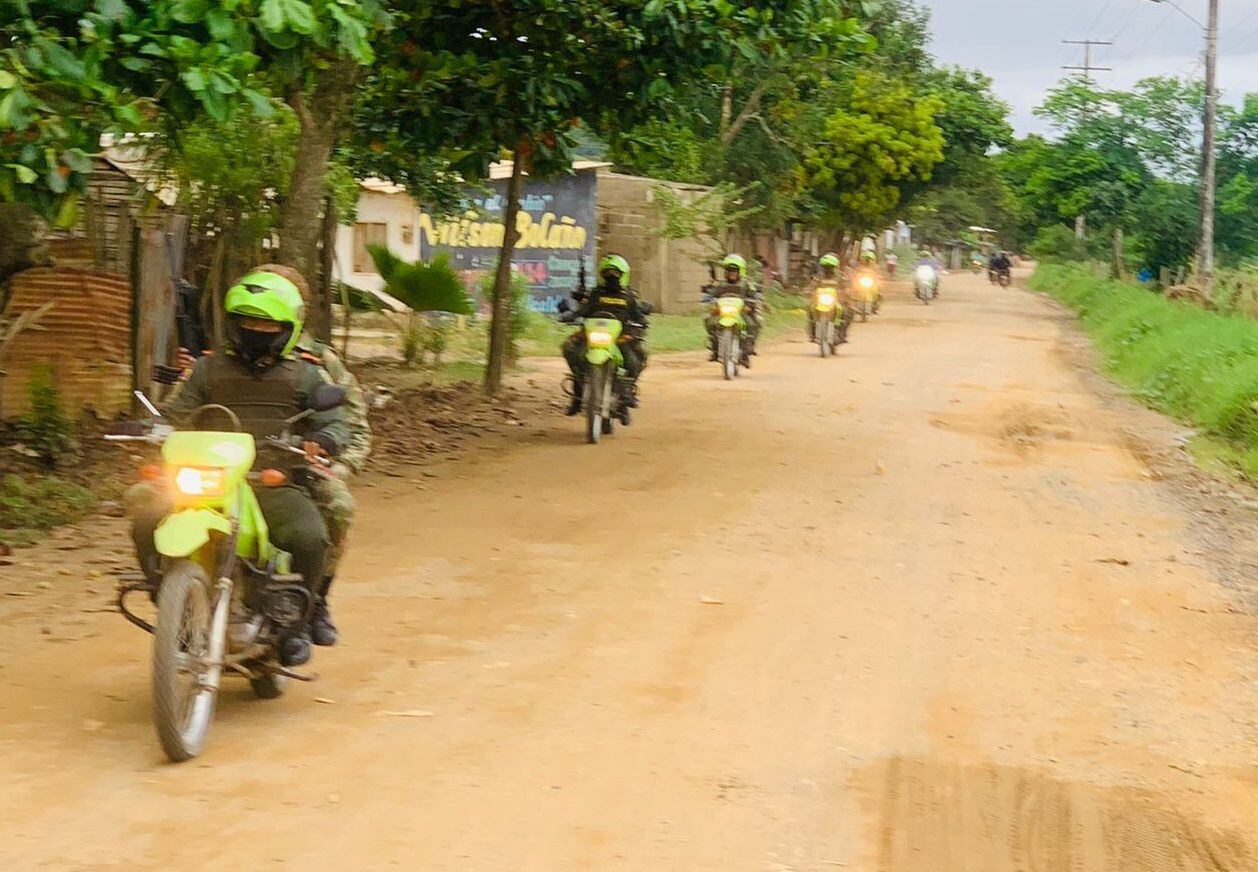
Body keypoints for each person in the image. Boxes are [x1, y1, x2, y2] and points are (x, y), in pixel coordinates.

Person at [130, 271, 348, 667]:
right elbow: (178, 412)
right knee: (146, 517)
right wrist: (153, 428)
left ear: (287, 328)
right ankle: (166, 594)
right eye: (248, 322)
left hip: (270, 481)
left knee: (310, 537)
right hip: (208, 479)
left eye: (266, 324)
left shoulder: (308, 372)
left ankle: (298, 620)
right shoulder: (208, 369)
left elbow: (333, 422)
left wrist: (325, 441)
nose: (256, 331)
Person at [248, 264, 370, 649]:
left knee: (337, 507)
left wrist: (335, 464)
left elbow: (353, 424)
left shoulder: (319, 362)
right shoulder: (228, 352)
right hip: (229, 465)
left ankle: (315, 598)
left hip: (296, 467)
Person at [561, 254, 649, 416]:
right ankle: (578, 393)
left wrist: (642, 321)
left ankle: (627, 393)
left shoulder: (629, 296)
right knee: (569, 348)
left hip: (619, 338)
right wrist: (570, 315)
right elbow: (584, 310)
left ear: (623, 275)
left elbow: (638, 315)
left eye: (615, 273)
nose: (611, 276)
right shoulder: (596, 293)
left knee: (637, 359)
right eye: (608, 273)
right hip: (593, 335)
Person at [704, 254, 763, 365]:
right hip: (723, 312)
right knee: (709, 320)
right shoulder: (720, 284)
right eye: (729, 270)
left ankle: (746, 350)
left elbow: (754, 295)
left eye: (735, 271)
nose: (732, 273)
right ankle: (714, 348)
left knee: (753, 324)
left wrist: (750, 305)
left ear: (740, 272)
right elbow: (711, 295)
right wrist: (708, 301)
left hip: (740, 312)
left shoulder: (746, 284)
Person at [804, 253, 854, 345]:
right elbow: (811, 287)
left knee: (849, 312)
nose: (828, 269)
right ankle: (813, 333)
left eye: (830, 267)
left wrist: (848, 293)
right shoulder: (818, 278)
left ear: (835, 267)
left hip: (837, 301)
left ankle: (841, 333)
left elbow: (847, 288)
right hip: (821, 302)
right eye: (826, 267)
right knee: (810, 311)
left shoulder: (840, 278)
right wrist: (808, 291)